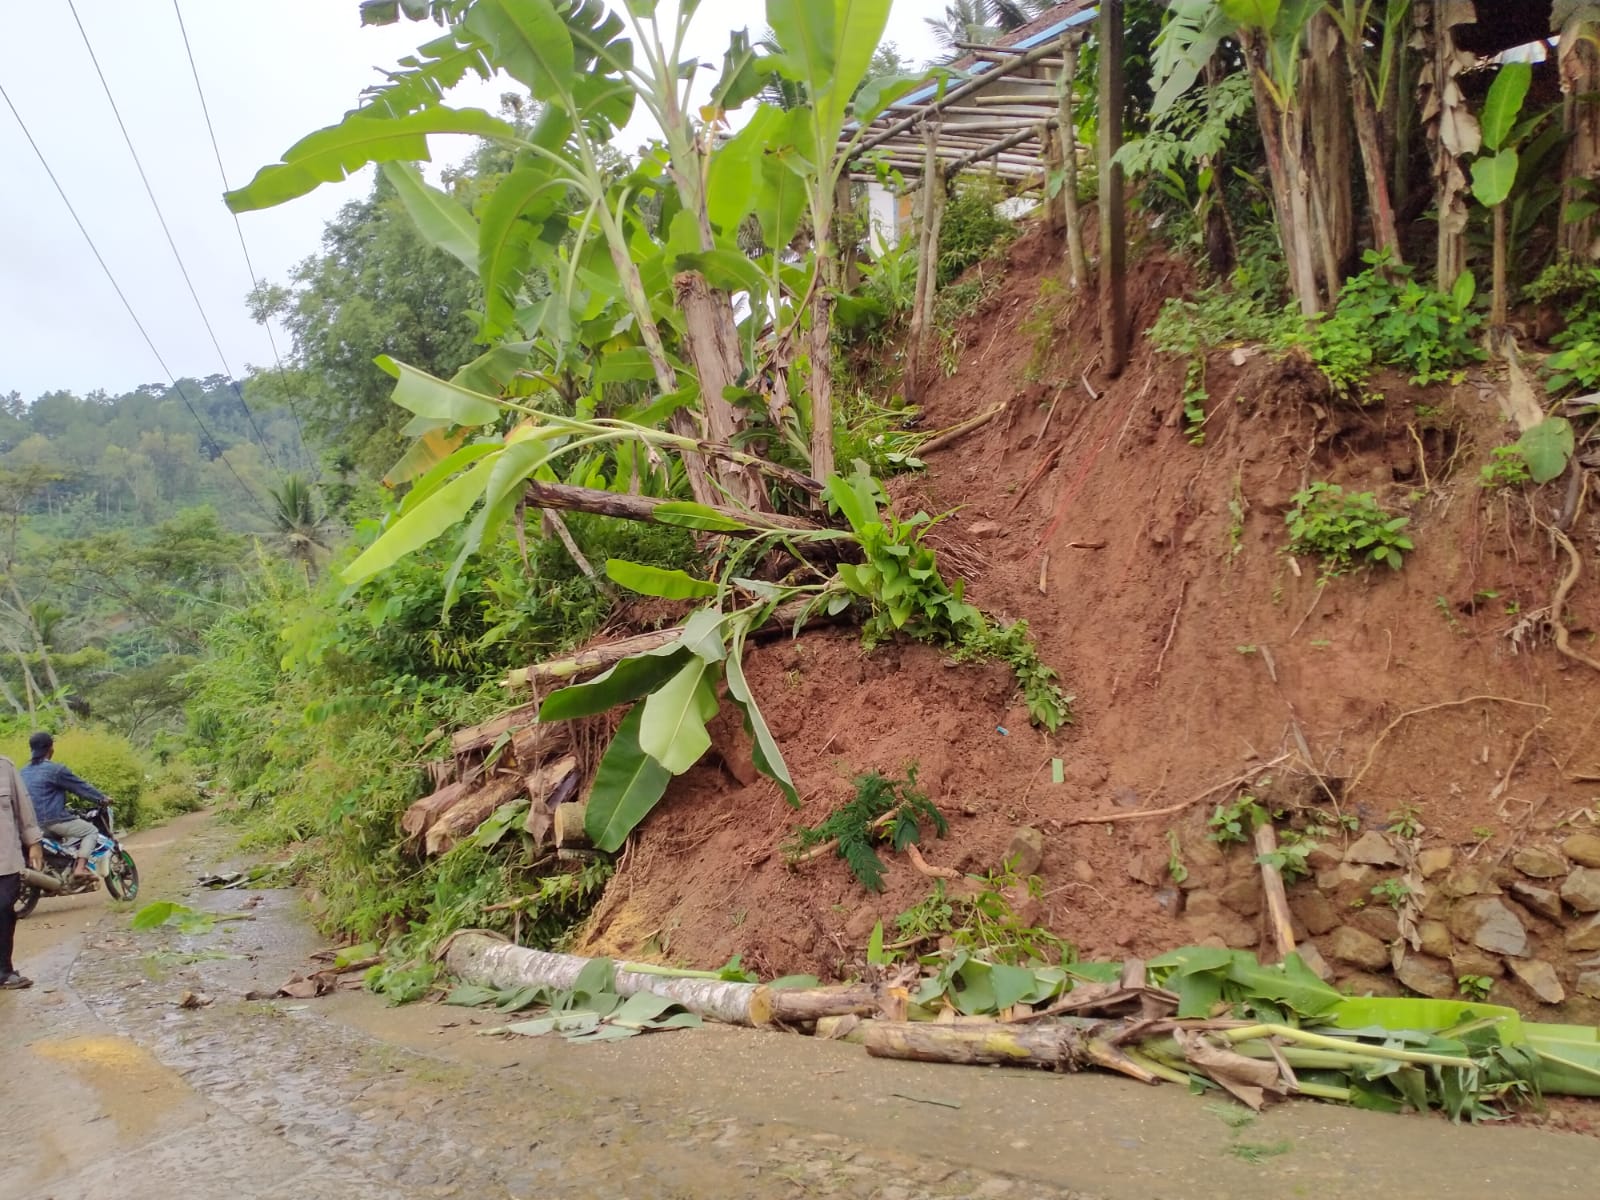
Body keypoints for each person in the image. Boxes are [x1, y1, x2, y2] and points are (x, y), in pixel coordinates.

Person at [20, 732, 111, 881]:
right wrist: (102, 798)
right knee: (91, 831)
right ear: (50, 749)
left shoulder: (21, 772)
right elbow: (81, 788)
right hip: (53, 821)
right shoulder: (56, 770)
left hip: (30, 825)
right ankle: (80, 868)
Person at [1, 751, 43, 989]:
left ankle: (4, 971)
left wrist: (34, 843)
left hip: (5, 857)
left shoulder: (4, 766)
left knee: (4, 909)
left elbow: (23, 807)